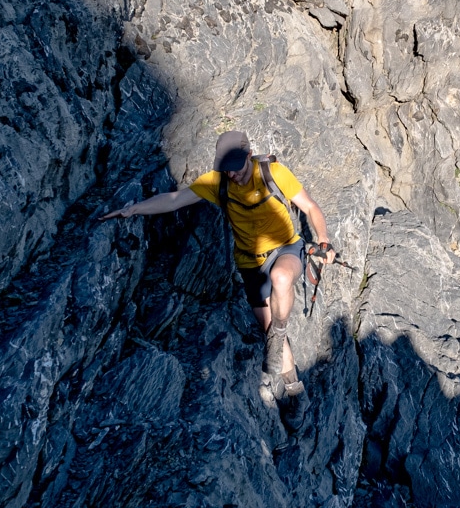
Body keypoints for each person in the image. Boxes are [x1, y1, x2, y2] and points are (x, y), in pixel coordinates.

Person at [102, 131, 334, 404]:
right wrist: (135, 209)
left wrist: (323, 239)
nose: (232, 175)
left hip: (286, 248)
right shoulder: (218, 183)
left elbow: (310, 207)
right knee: (271, 331)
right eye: (226, 169)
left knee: (281, 279)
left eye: (236, 168)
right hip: (249, 263)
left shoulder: (273, 173)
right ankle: (295, 392)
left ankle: (279, 332)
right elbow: (175, 199)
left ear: (249, 156)